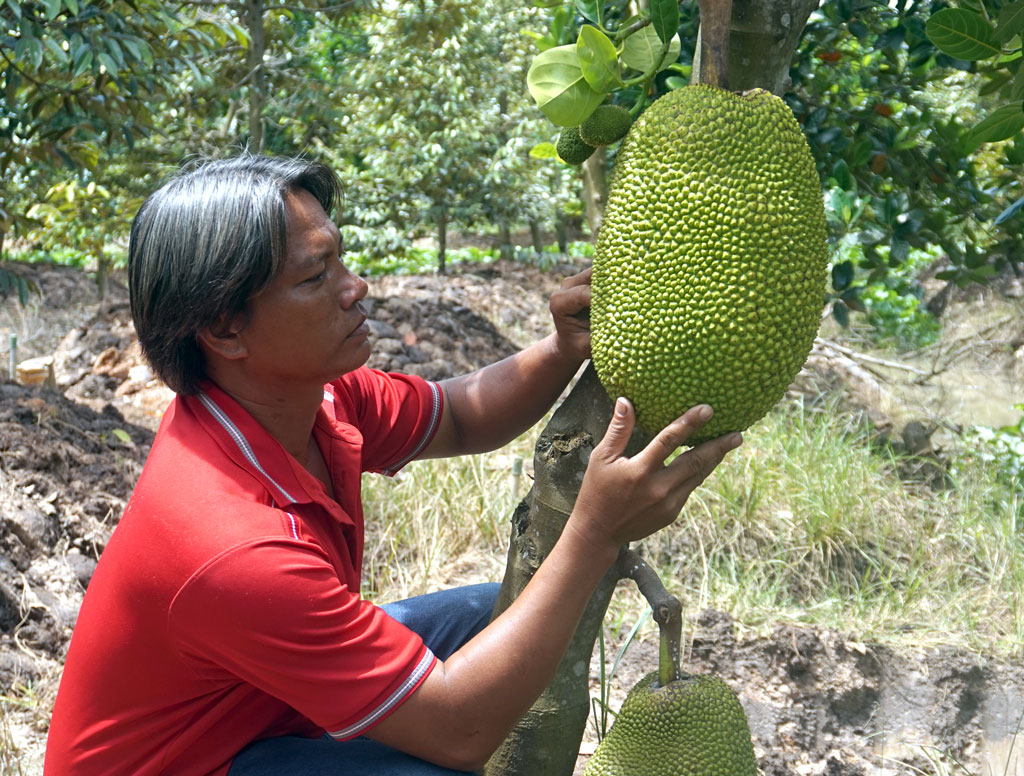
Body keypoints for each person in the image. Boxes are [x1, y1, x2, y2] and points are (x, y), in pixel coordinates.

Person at [44, 154, 742, 776]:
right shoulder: (231, 548)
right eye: (316, 276)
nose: (356, 288)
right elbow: (460, 732)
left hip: (260, 717)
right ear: (226, 329)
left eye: (340, 261)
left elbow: (461, 414)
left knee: (496, 610)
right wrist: (594, 533)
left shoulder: (311, 402)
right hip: (201, 763)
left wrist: (562, 348)